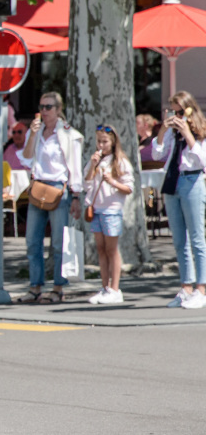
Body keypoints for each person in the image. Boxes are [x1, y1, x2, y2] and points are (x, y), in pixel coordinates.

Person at [18, 91, 85, 303]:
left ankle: (58, 287)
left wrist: (76, 195)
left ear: (58, 110)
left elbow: (75, 166)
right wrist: (33, 135)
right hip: (38, 186)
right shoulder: (35, 131)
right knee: (32, 241)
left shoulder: (68, 134)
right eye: (41, 107)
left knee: (58, 242)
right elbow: (27, 158)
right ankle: (35, 286)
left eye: (48, 107)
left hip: (59, 188)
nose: (44, 112)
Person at [150, 91, 206, 309]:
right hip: (172, 180)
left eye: (179, 111)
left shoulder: (200, 131)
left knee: (197, 237)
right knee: (179, 239)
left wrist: (188, 134)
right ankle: (186, 286)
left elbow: (202, 160)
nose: (176, 115)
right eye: (172, 111)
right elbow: (156, 154)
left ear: (189, 110)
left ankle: (202, 287)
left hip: (192, 181)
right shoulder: (173, 134)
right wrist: (163, 131)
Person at [83, 124, 135, 305]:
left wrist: (112, 181)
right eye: (98, 141)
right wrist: (92, 165)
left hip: (112, 210)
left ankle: (115, 288)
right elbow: (86, 184)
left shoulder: (120, 162)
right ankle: (105, 287)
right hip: (96, 209)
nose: (101, 145)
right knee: (101, 249)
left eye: (104, 141)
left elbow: (129, 188)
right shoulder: (95, 160)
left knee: (112, 250)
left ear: (113, 143)